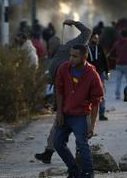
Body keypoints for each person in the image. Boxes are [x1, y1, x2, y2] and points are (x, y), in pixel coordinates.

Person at [35, 19, 91, 164]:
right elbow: (87, 32)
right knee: (69, 127)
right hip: (70, 99)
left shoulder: (67, 48)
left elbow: (87, 32)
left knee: (71, 127)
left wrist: (74, 22)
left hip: (73, 98)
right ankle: (52, 152)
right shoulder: (56, 58)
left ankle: (70, 155)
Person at [54, 44, 104, 178]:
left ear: (84, 57)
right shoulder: (64, 68)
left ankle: (88, 173)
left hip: (80, 116)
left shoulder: (93, 74)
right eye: (70, 55)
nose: (71, 58)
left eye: (75, 56)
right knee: (57, 143)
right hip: (64, 113)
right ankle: (74, 170)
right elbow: (59, 91)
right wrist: (59, 112)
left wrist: (92, 126)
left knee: (82, 144)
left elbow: (96, 102)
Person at [87, 33, 110, 121]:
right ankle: (89, 113)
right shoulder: (86, 48)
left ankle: (102, 113)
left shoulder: (99, 48)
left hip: (100, 74)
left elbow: (105, 60)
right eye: (95, 38)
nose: (97, 40)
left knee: (101, 93)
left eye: (98, 38)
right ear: (90, 39)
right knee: (89, 93)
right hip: (89, 75)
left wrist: (108, 72)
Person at [110, 29, 127, 100]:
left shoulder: (116, 43)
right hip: (126, 64)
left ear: (121, 35)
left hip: (118, 64)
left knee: (118, 81)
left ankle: (117, 95)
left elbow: (111, 53)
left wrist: (116, 56)